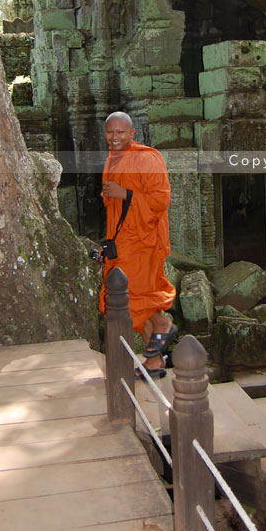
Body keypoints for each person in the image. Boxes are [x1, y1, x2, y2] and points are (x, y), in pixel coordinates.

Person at [98, 112, 177, 378]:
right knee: (138, 301)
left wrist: (126, 194)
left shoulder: (146, 158)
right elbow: (114, 211)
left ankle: (163, 324)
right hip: (124, 240)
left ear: (133, 133)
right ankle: (154, 363)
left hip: (144, 241)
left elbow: (160, 200)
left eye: (121, 132)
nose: (115, 137)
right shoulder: (113, 158)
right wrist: (109, 243)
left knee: (131, 299)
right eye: (110, 132)